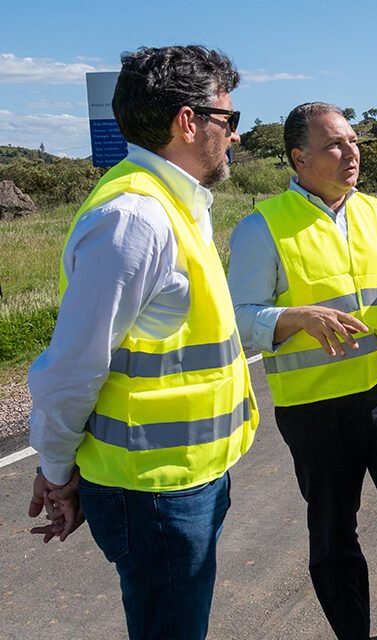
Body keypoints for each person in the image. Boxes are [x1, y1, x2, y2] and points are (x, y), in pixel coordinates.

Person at [26, 45, 259, 639]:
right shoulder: (136, 218)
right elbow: (72, 369)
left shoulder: (174, 205)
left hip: (184, 481)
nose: (233, 136)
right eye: (228, 121)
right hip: (154, 495)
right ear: (189, 121)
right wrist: (56, 470)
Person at [227, 102, 377, 640]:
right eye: (335, 144)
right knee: (334, 537)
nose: (351, 153)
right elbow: (239, 320)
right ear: (298, 157)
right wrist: (292, 317)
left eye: (353, 142)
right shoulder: (261, 229)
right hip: (316, 407)